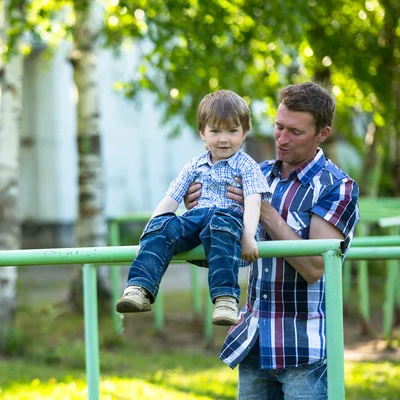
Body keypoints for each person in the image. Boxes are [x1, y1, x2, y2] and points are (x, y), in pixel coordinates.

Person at [184, 82, 360, 398]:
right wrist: (198, 217)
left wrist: (264, 211)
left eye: (295, 131)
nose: (281, 138)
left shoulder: (337, 187)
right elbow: (214, 255)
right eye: (279, 126)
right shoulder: (254, 173)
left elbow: (314, 267)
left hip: (305, 349)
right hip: (253, 341)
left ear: (323, 133)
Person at [115, 89, 271, 326]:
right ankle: (139, 288)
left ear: (245, 133)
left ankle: (225, 299)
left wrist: (249, 236)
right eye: (215, 131)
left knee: (222, 223)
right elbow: (171, 199)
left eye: (232, 131)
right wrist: (148, 235)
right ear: (202, 133)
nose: (223, 139)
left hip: (227, 225)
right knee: (165, 224)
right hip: (195, 220)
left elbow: (252, 202)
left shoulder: (247, 166)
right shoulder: (194, 165)